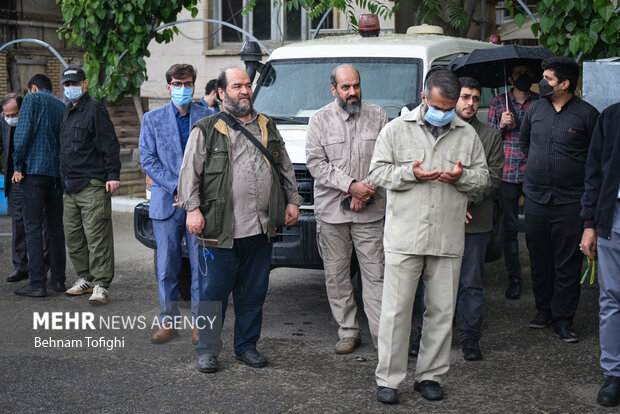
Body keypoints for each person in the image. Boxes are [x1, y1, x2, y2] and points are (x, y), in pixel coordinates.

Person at [369, 70, 489, 404]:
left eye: (451, 106)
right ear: (424, 98)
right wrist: (411, 173)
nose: (446, 112)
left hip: (448, 236)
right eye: (439, 105)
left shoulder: (466, 134)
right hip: (405, 236)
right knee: (396, 310)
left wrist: (462, 177)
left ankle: (430, 376)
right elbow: (376, 173)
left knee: (441, 311)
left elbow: (482, 179)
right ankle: (389, 379)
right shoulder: (395, 130)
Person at [175, 68, 303, 374]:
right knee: (213, 293)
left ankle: (247, 346)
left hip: (260, 228)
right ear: (221, 93)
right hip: (220, 230)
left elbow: (284, 165)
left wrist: (293, 201)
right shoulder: (206, 128)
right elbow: (188, 175)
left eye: (247, 85)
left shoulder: (267, 125)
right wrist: (192, 210)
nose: (244, 91)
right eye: (236, 86)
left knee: (253, 292)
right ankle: (207, 350)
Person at [305, 64, 387, 354]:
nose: (352, 92)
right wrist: (351, 186)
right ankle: (349, 330)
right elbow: (316, 164)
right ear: (333, 89)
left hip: (371, 210)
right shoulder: (319, 120)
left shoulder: (378, 115)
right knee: (337, 276)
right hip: (332, 213)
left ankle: (381, 337)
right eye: (345, 87)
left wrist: (365, 190)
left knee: (376, 276)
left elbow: (385, 159)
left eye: (356, 86)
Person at [520, 56, 599, 342]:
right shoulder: (534, 110)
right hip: (537, 197)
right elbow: (525, 143)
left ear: (565, 84)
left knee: (567, 262)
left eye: (548, 78)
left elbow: (595, 158)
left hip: (571, 201)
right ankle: (544, 311)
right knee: (539, 257)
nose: (542, 83)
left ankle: (564, 319)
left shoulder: (587, 114)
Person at [140, 64, 210, 342]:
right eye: (177, 84)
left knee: (200, 266)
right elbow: (147, 159)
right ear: (168, 87)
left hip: (199, 205)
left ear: (194, 86)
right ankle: (168, 320)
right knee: (167, 266)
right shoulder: (152, 119)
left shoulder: (208, 116)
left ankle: (199, 322)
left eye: (188, 84)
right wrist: (176, 185)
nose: (183, 89)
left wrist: (193, 191)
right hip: (166, 203)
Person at [59, 66, 121, 305]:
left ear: (85, 84)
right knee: (74, 237)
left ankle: (101, 284)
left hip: (92, 184)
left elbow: (110, 144)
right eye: (67, 84)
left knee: (97, 238)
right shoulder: (68, 110)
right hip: (70, 187)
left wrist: (112, 174)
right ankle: (85, 277)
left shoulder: (95, 109)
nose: (70, 88)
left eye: (74, 83)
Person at [454, 77, 504, 361]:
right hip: (441, 219)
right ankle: (428, 333)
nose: (471, 103)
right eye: (465, 97)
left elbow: (493, 178)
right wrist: (453, 206)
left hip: (476, 221)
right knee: (434, 280)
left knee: (471, 282)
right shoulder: (439, 130)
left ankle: (470, 337)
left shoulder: (490, 136)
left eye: (475, 98)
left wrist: (464, 203)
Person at [580, 101, 620, 407]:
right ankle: (614, 373)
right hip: (614, 218)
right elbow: (593, 173)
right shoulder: (611, 117)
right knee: (611, 298)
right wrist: (590, 224)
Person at [12, 73, 66, 297]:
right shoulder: (61, 106)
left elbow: (22, 135)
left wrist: (17, 165)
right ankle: (59, 281)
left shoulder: (32, 100)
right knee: (55, 228)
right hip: (55, 175)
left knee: (33, 227)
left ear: (33, 88)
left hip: (33, 172)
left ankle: (37, 283)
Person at [488, 62, 538, 300]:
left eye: (527, 73)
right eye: (519, 74)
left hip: (532, 172)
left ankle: (539, 276)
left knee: (536, 229)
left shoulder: (539, 102)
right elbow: (487, 141)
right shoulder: (499, 103)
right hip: (507, 173)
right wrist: (500, 126)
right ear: (511, 78)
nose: (524, 77)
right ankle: (514, 277)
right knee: (509, 229)